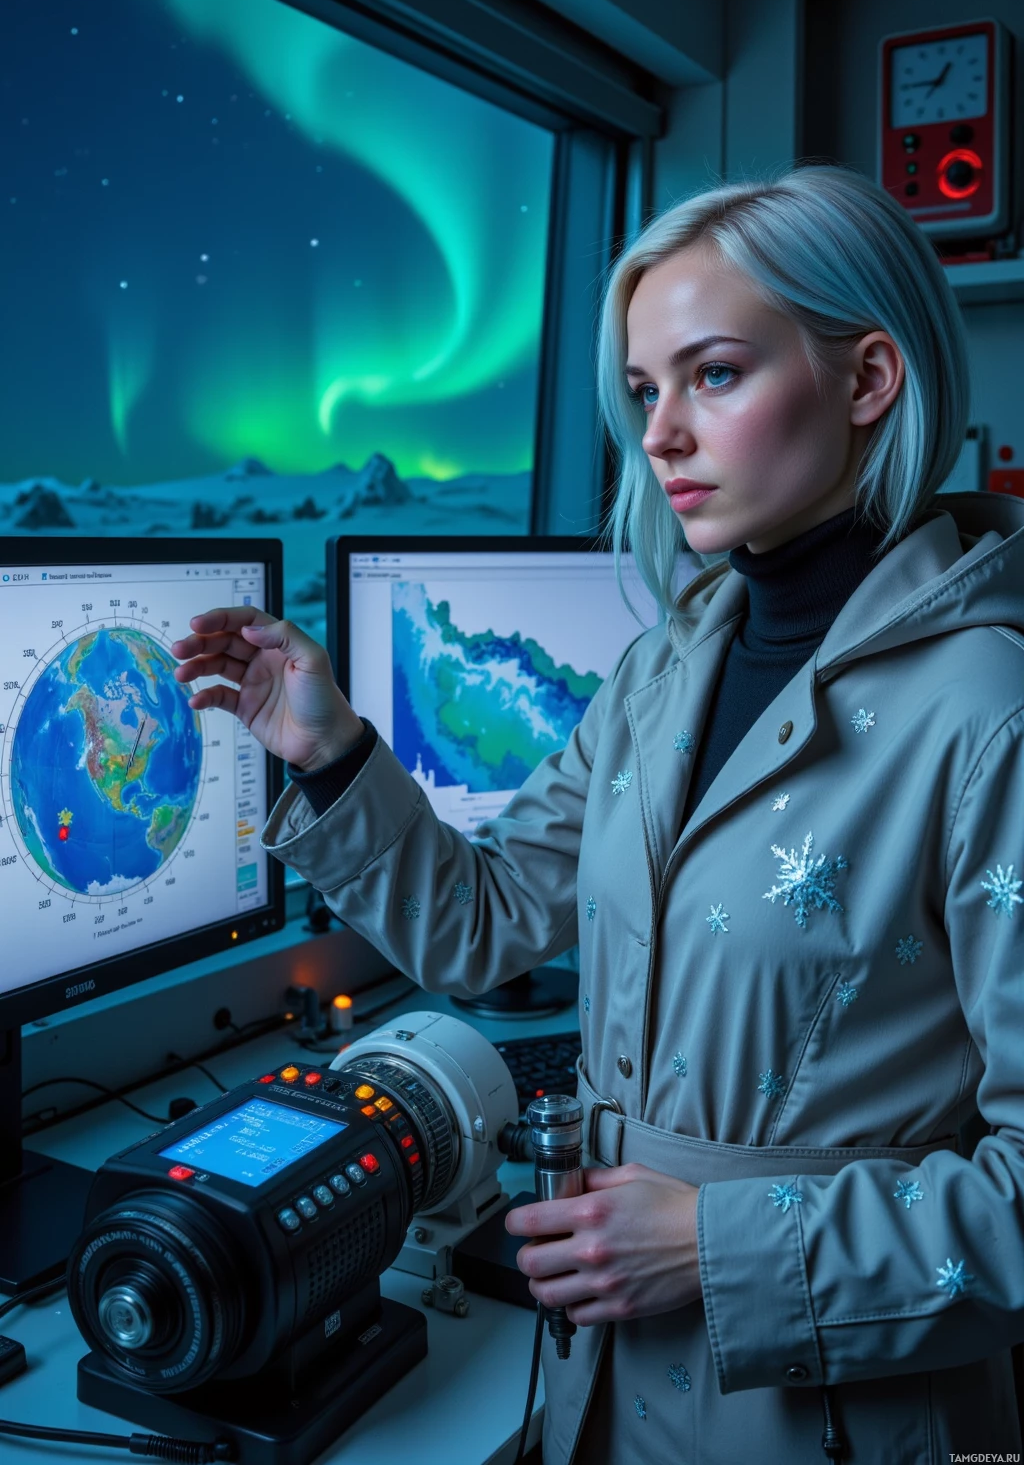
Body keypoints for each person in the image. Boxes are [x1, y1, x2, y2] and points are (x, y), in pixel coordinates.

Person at [172, 164, 1024, 1465]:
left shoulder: (988, 710)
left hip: (829, 1412)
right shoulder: (667, 668)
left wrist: (719, 1247)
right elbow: (489, 926)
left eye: (715, 374)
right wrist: (331, 753)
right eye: (644, 392)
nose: (661, 435)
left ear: (866, 381)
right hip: (604, 1379)